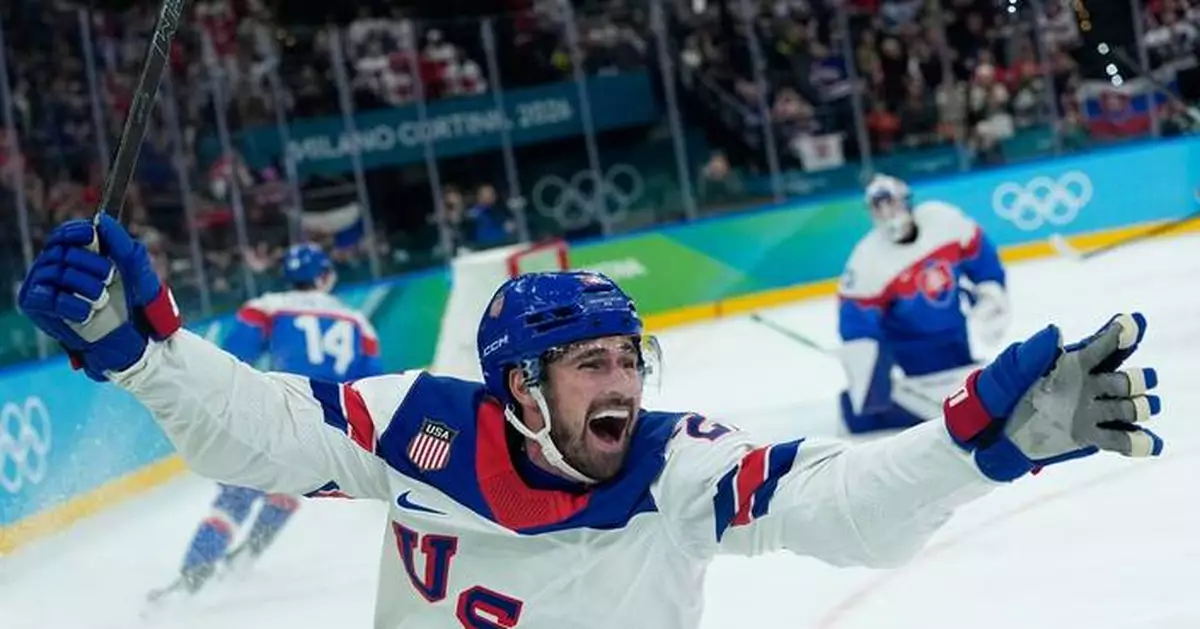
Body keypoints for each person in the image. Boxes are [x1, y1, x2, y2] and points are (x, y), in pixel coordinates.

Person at [20, 215, 1164, 628]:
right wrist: (150, 348)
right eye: (588, 363)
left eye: (629, 355)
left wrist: (973, 445)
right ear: (519, 385)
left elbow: (837, 503)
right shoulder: (415, 424)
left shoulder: (678, 467)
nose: (623, 380)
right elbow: (257, 428)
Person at [154, 243, 385, 600]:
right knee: (293, 485)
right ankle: (246, 558)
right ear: (324, 277)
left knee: (238, 494)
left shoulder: (267, 307)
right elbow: (373, 386)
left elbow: (231, 359)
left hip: (273, 412)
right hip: (324, 429)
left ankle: (190, 579)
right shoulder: (359, 323)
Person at [836, 173, 1012, 434]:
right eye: (878, 208)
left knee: (973, 396)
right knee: (953, 407)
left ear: (906, 202)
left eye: (891, 204)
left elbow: (980, 254)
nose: (887, 214)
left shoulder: (942, 219)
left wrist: (990, 293)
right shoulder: (866, 260)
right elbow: (856, 323)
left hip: (955, 330)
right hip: (913, 349)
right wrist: (871, 368)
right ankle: (856, 406)